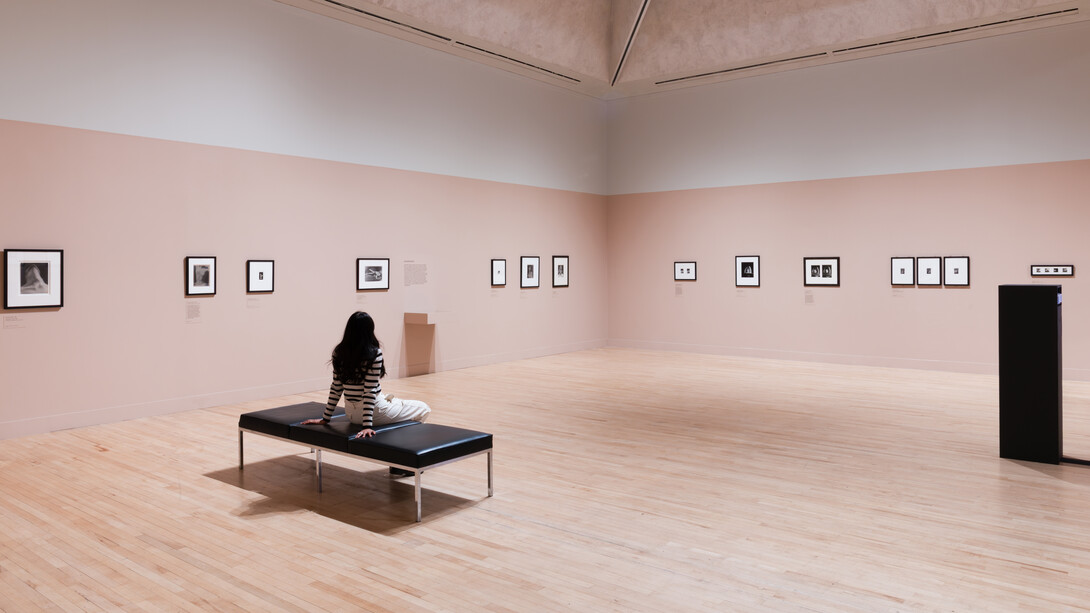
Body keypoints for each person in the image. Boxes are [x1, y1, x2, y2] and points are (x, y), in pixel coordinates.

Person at [301, 312, 431, 442]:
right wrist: (367, 426)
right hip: (374, 413)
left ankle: (393, 429)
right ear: (369, 330)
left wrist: (325, 418)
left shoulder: (339, 351)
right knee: (424, 408)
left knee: (395, 402)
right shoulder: (373, 353)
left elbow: (336, 388)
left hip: (351, 414)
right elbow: (369, 391)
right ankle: (403, 441)